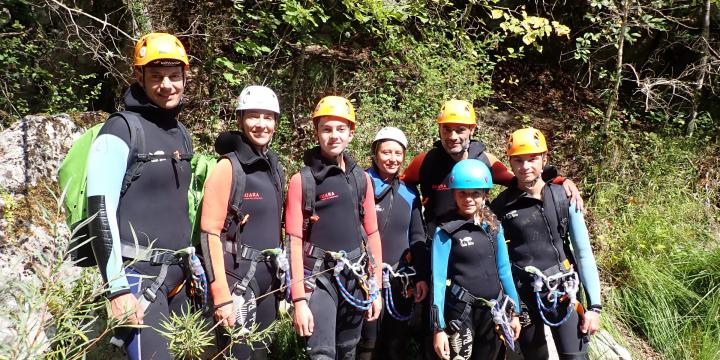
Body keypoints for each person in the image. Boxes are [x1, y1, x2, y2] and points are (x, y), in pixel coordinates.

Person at [402, 99, 581, 359]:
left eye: (460, 129)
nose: (453, 136)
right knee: (439, 332)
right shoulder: (425, 161)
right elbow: (396, 183)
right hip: (439, 246)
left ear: (472, 130)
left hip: (476, 250)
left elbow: (523, 178)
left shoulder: (485, 160)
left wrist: (559, 181)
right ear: (439, 130)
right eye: (446, 129)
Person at [85, 32, 194, 359]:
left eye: (175, 76)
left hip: (178, 280)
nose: (167, 85)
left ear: (185, 77)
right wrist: (116, 289)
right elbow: (99, 211)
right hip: (137, 279)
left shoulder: (180, 133)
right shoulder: (120, 129)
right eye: (157, 76)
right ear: (139, 76)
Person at [285, 96, 383, 359]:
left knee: (348, 350)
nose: (333, 136)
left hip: (355, 276)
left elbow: (372, 234)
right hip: (319, 279)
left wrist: (376, 288)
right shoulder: (302, 181)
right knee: (321, 354)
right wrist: (299, 300)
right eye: (326, 129)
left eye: (340, 129)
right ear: (316, 132)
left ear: (351, 133)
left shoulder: (361, 179)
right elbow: (294, 241)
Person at [490, 128, 602, 360]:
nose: (526, 166)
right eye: (518, 160)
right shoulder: (501, 206)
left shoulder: (564, 197)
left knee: (575, 357)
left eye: (532, 159)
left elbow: (583, 253)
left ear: (544, 159)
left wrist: (595, 307)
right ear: (510, 162)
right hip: (524, 294)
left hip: (563, 290)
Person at [200, 85, 285, 358]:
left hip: (268, 280)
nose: (261, 124)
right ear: (240, 120)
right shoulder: (228, 167)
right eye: (253, 116)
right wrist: (221, 294)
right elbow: (210, 232)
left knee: (261, 354)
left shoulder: (274, 165)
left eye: (268, 117)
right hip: (236, 280)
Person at [431, 159, 522, 360]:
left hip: (493, 311)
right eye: (462, 193)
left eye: (475, 193)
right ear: (454, 193)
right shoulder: (446, 230)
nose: (468, 199)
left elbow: (504, 270)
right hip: (461, 312)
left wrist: (515, 312)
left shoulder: (493, 227)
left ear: (485, 194)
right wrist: (438, 328)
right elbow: (438, 280)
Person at [357, 127, 429, 360]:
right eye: (386, 152)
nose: (392, 159)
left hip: (400, 278)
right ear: (375, 153)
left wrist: (421, 276)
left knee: (395, 343)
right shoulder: (360, 182)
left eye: (398, 153)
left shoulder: (409, 192)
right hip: (365, 278)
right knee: (367, 342)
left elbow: (417, 235)